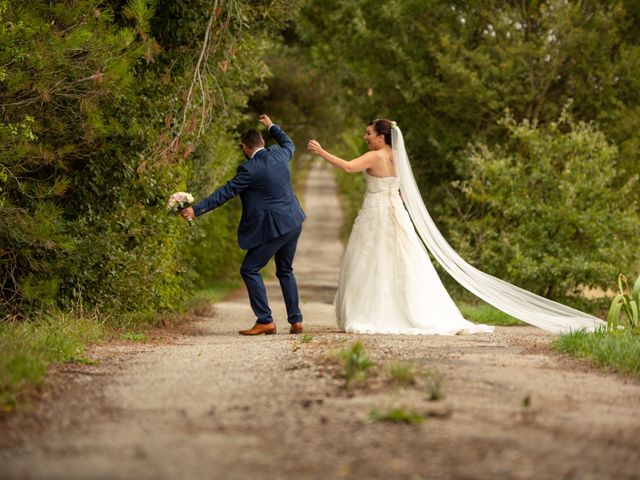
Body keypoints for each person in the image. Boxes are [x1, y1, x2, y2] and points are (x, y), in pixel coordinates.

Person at [307, 119, 604, 335]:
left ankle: (372, 313)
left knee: (372, 263)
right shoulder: (398, 158)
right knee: (403, 263)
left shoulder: (374, 156)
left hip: (376, 213)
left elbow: (347, 167)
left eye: (369, 133)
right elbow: (399, 189)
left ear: (382, 138)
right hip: (395, 212)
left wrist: (321, 152)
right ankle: (409, 310)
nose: (365, 137)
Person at [181, 114, 306, 335]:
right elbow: (289, 143)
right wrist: (272, 126)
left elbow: (224, 193)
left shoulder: (249, 169)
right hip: (294, 221)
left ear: (244, 147)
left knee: (249, 269)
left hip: (274, 228)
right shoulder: (280, 153)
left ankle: (265, 320)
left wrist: (195, 209)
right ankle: (296, 321)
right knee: (285, 270)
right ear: (263, 143)